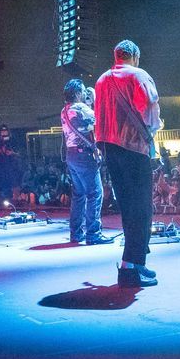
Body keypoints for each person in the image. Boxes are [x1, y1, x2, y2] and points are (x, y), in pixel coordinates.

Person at [95, 39, 161, 289]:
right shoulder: (138, 75)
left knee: (126, 206)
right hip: (133, 147)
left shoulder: (102, 79)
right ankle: (131, 267)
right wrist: (154, 132)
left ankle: (132, 264)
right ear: (134, 56)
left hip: (109, 148)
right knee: (141, 207)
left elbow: (99, 115)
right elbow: (150, 111)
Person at [60, 79, 109, 245]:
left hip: (71, 155)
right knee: (95, 193)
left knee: (78, 195)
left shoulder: (64, 110)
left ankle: (76, 234)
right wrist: (93, 102)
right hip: (84, 156)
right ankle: (93, 234)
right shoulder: (81, 108)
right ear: (77, 93)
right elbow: (100, 120)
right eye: (82, 92)